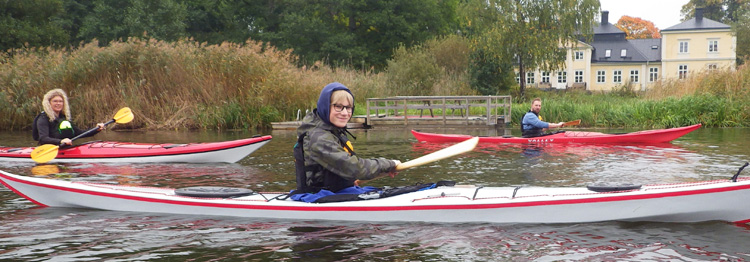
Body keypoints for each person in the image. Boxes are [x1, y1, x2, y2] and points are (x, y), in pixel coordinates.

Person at [292, 82, 400, 202]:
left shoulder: (333, 130)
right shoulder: (318, 138)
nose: (344, 113)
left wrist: (384, 171)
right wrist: (389, 164)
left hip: (337, 191)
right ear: (325, 107)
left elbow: (347, 171)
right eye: (338, 106)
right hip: (319, 196)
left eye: (348, 108)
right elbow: (354, 167)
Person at [33, 89, 104, 146]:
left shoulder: (63, 118)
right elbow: (43, 138)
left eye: (60, 101)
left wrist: (96, 129)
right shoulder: (43, 118)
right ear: (49, 103)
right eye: (55, 101)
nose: (58, 103)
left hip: (64, 149)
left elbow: (79, 133)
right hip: (48, 149)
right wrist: (60, 141)